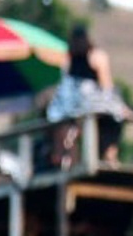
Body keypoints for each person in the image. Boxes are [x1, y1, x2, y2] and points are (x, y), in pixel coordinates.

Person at [49, 24, 125, 164]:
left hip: (68, 109)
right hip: (93, 105)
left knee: (71, 129)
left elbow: (64, 84)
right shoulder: (97, 56)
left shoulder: (67, 59)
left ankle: (72, 161)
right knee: (117, 117)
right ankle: (110, 156)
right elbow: (106, 86)